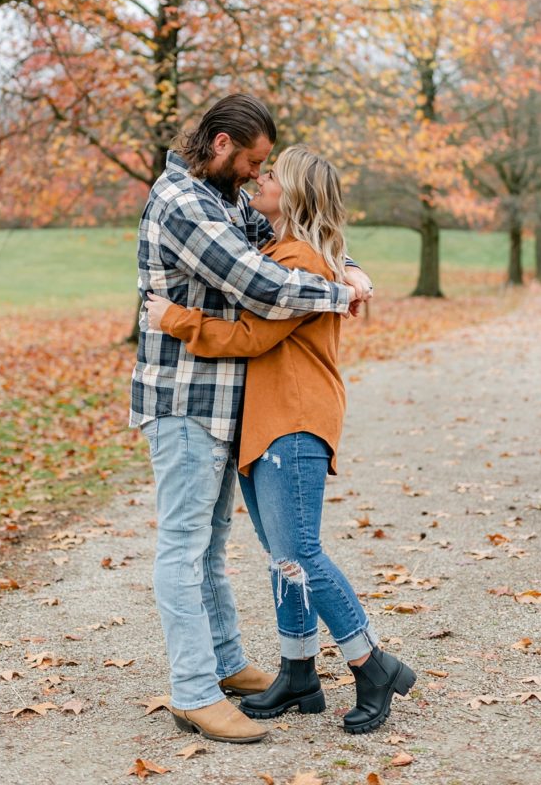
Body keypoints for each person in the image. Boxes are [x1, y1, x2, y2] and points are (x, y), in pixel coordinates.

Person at [146, 145, 416, 736]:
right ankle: (297, 672)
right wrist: (350, 269)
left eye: (270, 175)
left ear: (292, 196)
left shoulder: (297, 260)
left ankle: (372, 664)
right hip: (266, 421)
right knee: (282, 556)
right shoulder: (280, 249)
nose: (257, 180)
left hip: (292, 420)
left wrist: (174, 318)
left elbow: (250, 337)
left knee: (299, 553)